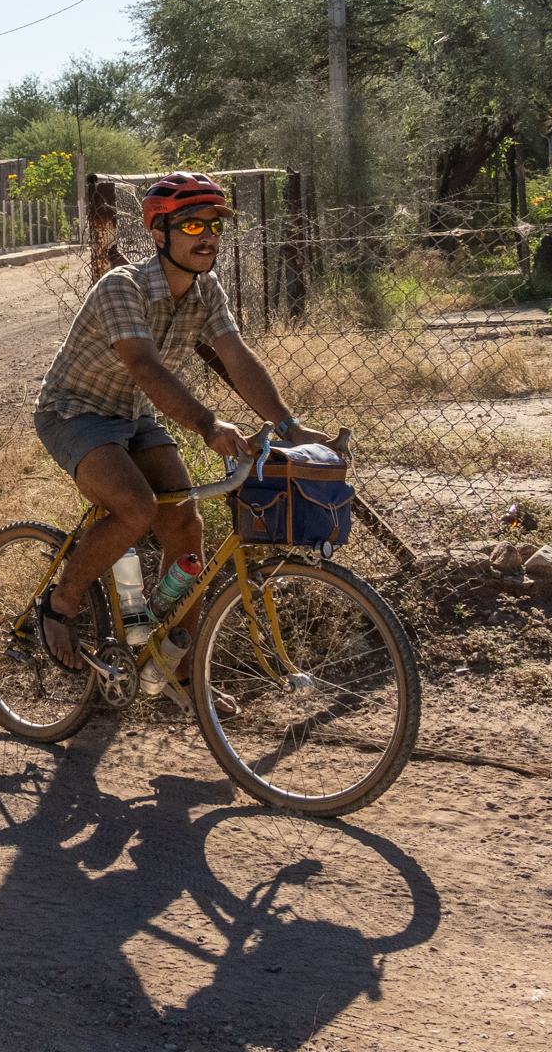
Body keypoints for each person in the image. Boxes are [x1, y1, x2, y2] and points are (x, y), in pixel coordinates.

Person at [30, 171, 330, 701]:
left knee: (186, 524)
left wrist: (289, 426)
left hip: (135, 416)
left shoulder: (205, 290)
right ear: (159, 233)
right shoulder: (120, 287)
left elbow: (236, 357)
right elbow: (145, 367)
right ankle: (61, 601)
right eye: (192, 224)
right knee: (136, 507)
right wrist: (209, 425)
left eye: (214, 224)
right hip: (74, 412)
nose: (207, 235)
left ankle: (176, 666)